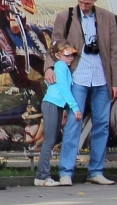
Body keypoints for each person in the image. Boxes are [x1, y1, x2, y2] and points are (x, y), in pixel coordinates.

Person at [52, 0, 117, 186]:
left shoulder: (107, 18)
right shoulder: (66, 16)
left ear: (95, 0)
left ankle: (96, 170)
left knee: (101, 124)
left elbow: (114, 51)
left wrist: (115, 82)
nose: (84, 6)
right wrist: (50, 68)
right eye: (81, 2)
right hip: (78, 75)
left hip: (101, 75)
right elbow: (55, 44)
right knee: (74, 122)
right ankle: (66, 171)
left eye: (88, 3)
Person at [35, 44, 82, 187]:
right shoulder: (61, 66)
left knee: (51, 140)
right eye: (67, 55)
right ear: (58, 56)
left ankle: (41, 176)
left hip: (55, 105)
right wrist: (75, 108)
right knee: (49, 141)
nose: (71, 58)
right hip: (51, 104)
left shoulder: (63, 67)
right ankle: (43, 176)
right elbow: (63, 88)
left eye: (72, 55)